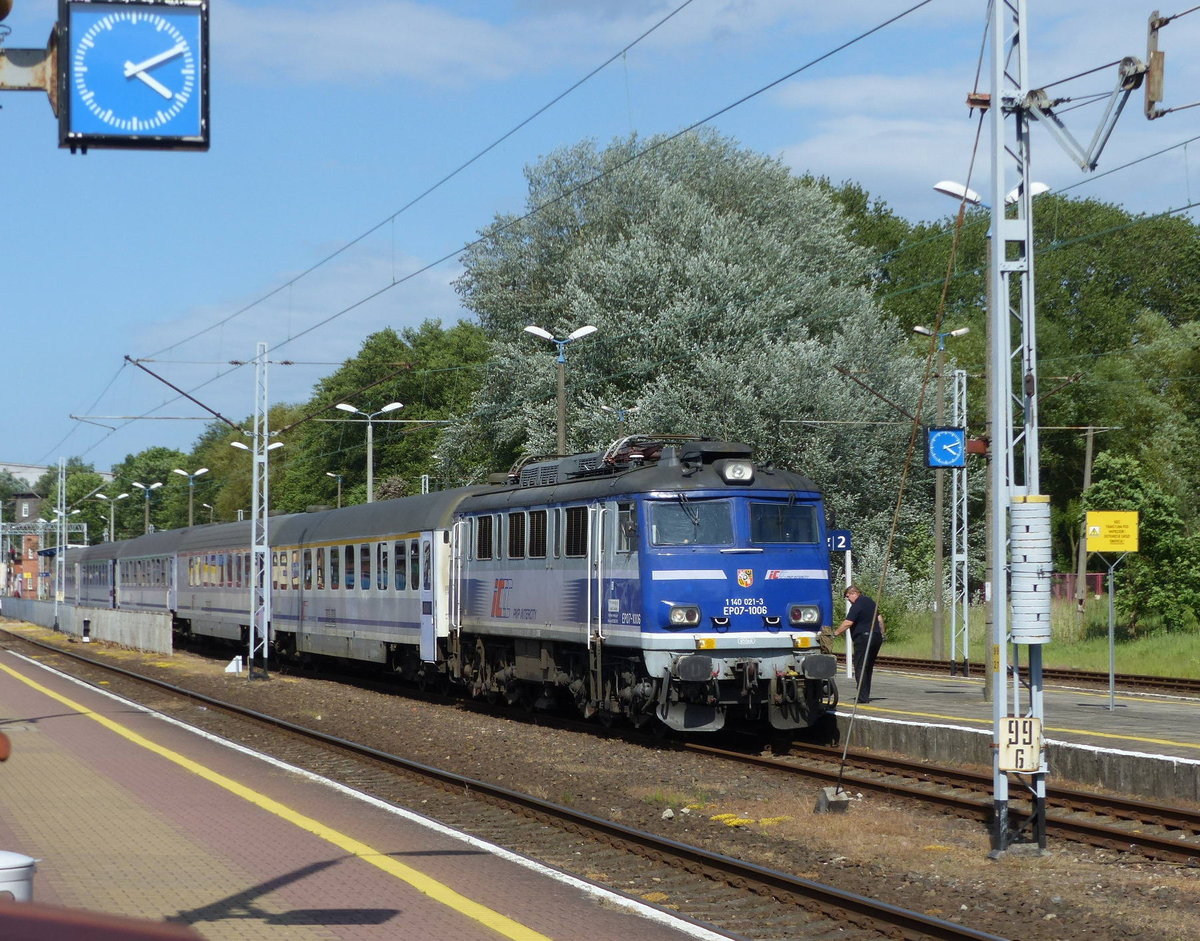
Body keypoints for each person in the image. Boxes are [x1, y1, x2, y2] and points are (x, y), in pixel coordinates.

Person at [833, 584, 885, 703]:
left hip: (863, 638)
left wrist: (835, 633)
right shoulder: (871, 602)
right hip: (876, 637)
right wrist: (882, 634)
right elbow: (880, 619)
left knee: (860, 666)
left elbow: (848, 623)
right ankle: (865, 694)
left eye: (847, 597)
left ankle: (862, 697)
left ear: (854, 593)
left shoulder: (857, 604)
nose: (848, 600)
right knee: (868, 667)